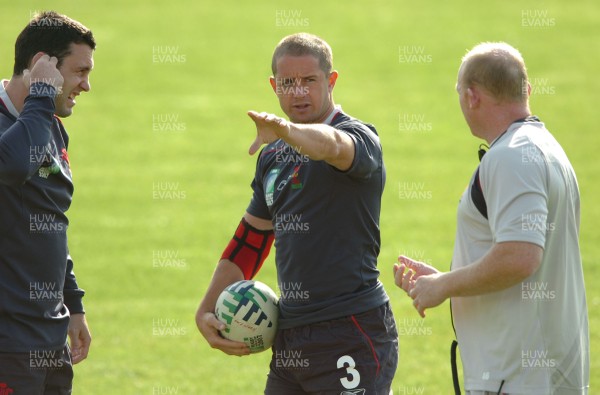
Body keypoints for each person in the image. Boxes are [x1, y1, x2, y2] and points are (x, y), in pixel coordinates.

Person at [196, 33, 398, 394]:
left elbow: (330, 146)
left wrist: (287, 130)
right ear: (274, 86)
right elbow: (250, 240)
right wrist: (206, 308)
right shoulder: (272, 157)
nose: (298, 92)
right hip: (290, 335)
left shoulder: (359, 138)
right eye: (288, 83)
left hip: (350, 329)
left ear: (331, 81)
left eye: (310, 81)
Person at [394, 42, 589, 394]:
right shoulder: (550, 150)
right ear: (526, 91)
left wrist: (444, 286)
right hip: (541, 373)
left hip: (517, 377)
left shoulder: (510, 157)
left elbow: (521, 256)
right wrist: (446, 277)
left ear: (471, 97)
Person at [0, 11, 95, 393]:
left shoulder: (51, 126)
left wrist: (72, 302)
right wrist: (40, 95)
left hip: (48, 336)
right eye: (79, 71)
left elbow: (51, 218)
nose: (86, 86)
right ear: (43, 65)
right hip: (8, 343)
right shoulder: (36, 117)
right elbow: (12, 165)